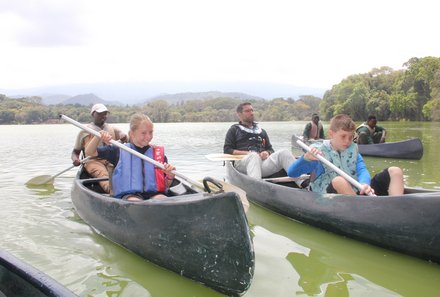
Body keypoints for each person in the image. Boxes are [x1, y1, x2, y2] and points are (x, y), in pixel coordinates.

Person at [287, 114, 404, 196]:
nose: (348, 141)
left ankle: (396, 208)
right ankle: (361, 211)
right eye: (343, 136)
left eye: (351, 137)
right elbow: (292, 173)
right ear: (331, 134)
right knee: (339, 181)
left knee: (395, 171)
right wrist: (306, 159)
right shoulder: (317, 152)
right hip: (328, 194)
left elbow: (362, 170)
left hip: (356, 192)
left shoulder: (353, 149)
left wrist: (364, 184)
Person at [85, 113, 176, 201]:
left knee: (162, 199)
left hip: (154, 195)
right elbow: (90, 152)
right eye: (143, 133)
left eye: (151, 132)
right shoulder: (118, 150)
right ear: (132, 133)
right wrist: (98, 136)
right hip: (130, 196)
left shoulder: (157, 153)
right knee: (135, 202)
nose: (148, 137)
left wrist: (170, 176)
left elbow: (166, 185)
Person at [223, 102, 296, 179]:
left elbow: (270, 149)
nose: (251, 113)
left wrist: (267, 153)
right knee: (253, 156)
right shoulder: (234, 130)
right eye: (247, 111)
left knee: (284, 152)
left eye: (252, 110)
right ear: (239, 114)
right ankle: (257, 185)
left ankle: (303, 183)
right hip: (242, 163)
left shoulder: (261, 131)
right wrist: (249, 153)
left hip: (262, 164)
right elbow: (227, 150)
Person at [71, 103, 128, 193]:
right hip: (93, 160)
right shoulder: (84, 131)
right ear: (93, 114)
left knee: (123, 171)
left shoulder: (110, 128)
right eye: (100, 114)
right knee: (103, 174)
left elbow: (123, 135)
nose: (103, 116)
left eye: (105, 114)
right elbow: (75, 152)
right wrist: (75, 159)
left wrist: (123, 135)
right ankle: (112, 191)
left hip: (110, 159)